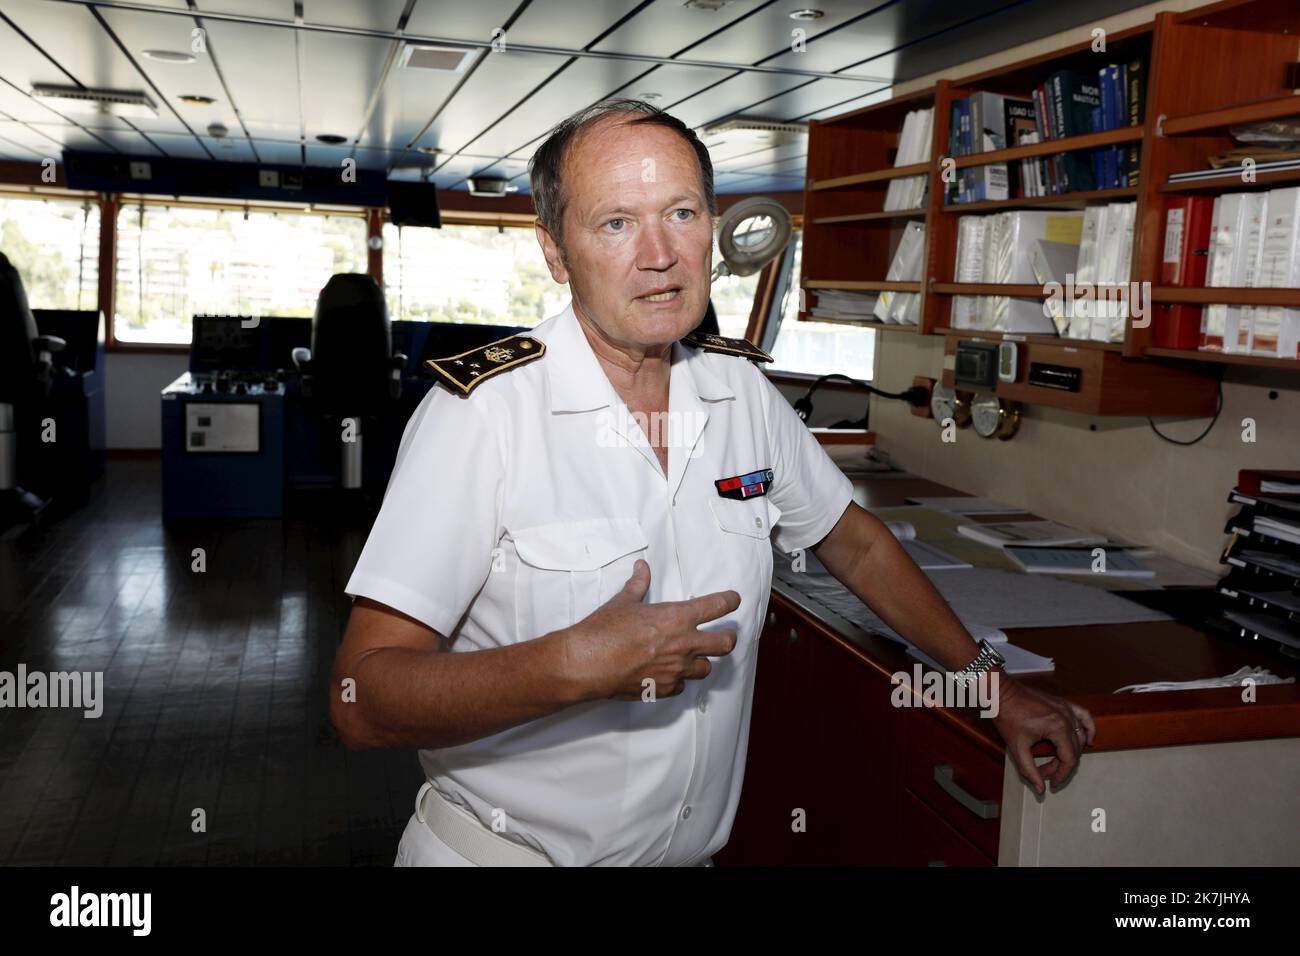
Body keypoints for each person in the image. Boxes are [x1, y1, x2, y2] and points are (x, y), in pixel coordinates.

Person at [330, 99, 1095, 867]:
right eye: (616, 223)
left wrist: (988, 686)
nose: (659, 253)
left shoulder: (740, 392)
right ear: (556, 252)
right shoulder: (481, 415)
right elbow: (361, 700)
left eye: (682, 212)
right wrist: (569, 666)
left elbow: (853, 543)